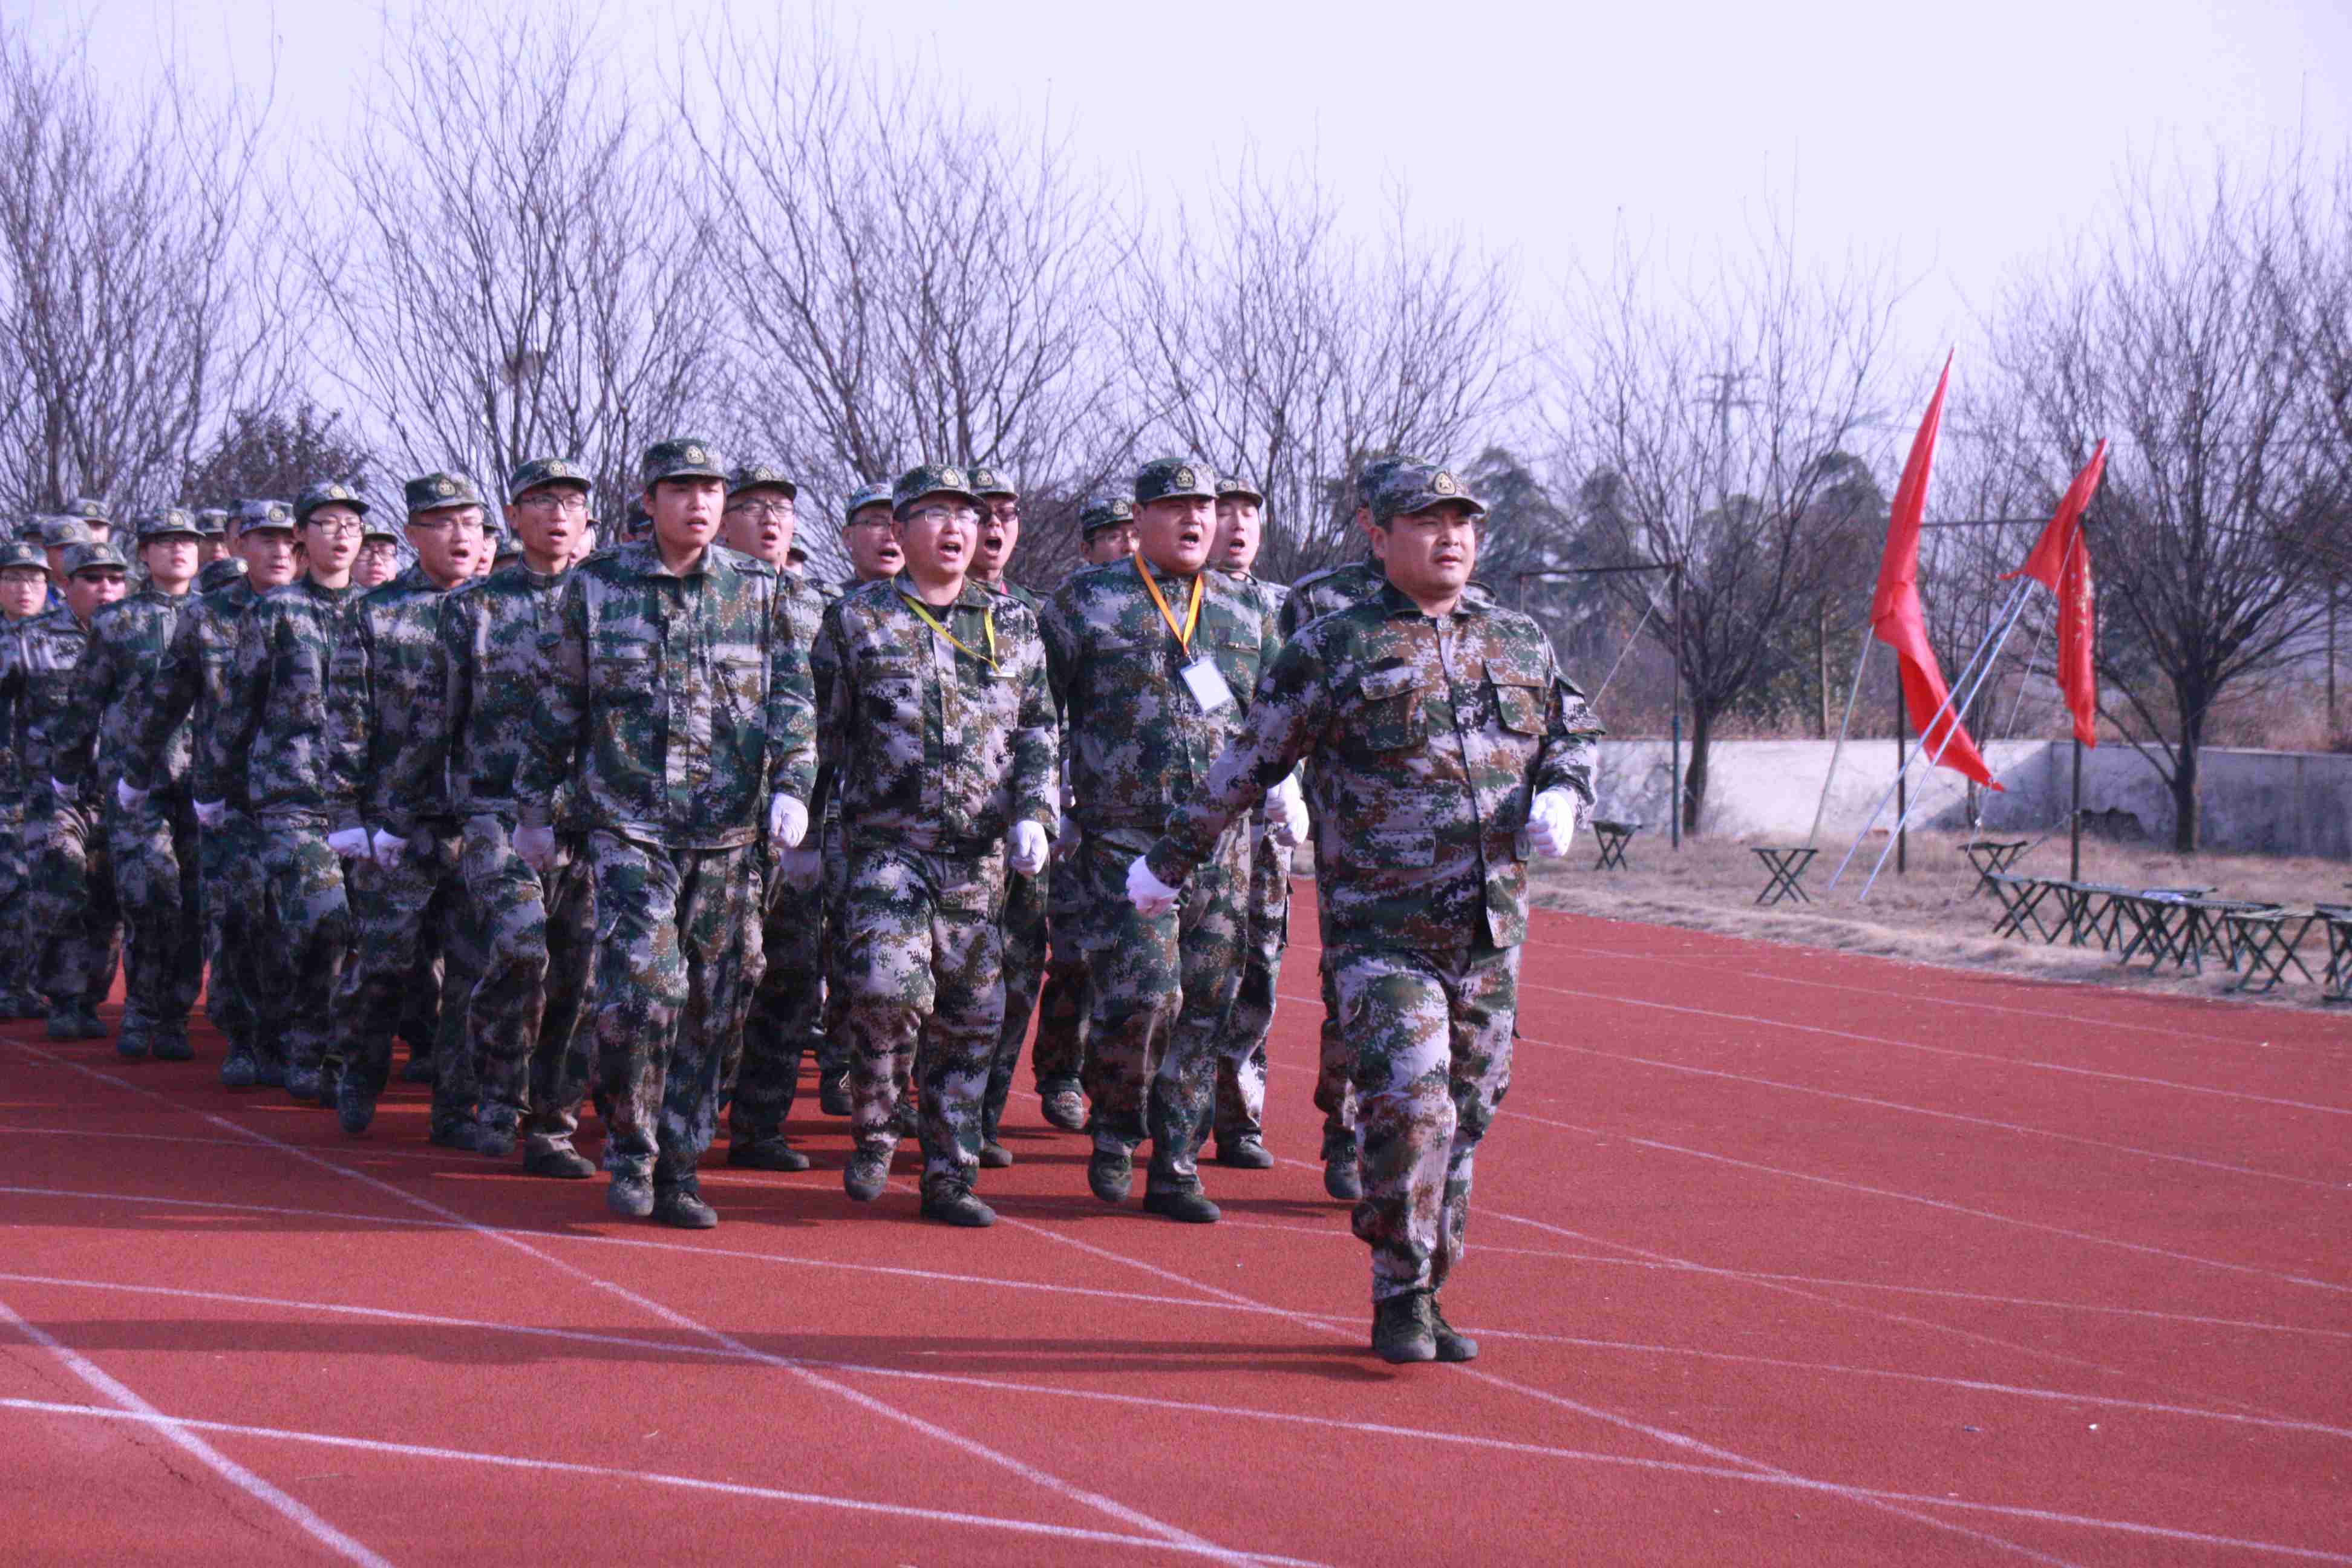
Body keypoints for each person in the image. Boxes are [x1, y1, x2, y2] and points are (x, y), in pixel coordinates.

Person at [1138, 460, 1601, 1362]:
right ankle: (1398, 1289)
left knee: (1465, 1118)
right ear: (1380, 536)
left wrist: (1564, 792)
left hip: (1490, 933)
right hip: (1384, 935)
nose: (1450, 537)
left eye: (1462, 522)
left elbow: (1572, 731)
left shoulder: (1517, 640)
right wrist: (1169, 860)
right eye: (1427, 521)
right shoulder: (1334, 646)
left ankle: (1430, 1285)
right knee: (1411, 1106)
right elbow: (1249, 760)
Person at [518, 437, 815, 1229]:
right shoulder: (596, 587)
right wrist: (534, 810)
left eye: (711, 490)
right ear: (649, 502)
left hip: (728, 836)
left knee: (715, 1006)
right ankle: (632, 1151)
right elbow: (558, 705)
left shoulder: (762, 590)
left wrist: (794, 787)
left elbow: (793, 702)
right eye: (680, 489)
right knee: (645, 996)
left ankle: (681, 1167)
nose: (699, 503)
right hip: (630, 828)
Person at [1042, 458, 1285, 1224]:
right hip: (1125, 837)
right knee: (1144, 994)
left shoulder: (1248, 609)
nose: (1195, 520)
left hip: (1222, 844)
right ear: (1140, 518)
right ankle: (1117, 1127)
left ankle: (1176, 1162)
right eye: (1176, 506)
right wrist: (1051, 796)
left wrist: (1288, 784)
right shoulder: (1087, 600)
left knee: (1207, 1006)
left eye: (1205, 507)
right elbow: (1040, 706)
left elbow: (1279, 711)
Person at [815, 463, 1055, 1226]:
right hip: (888, 849)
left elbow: (1038, 728)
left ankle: (951, 1175)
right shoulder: (857, 621)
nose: (957, 529)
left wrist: (1036, 812)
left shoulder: (1014, 625)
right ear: (900, 529)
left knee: (970, 1018)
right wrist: (805, 832)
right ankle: (877, 1127)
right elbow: (823, 734)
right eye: (937, 514)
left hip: (979, 860)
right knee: (885, 988)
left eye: (968, 515)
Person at [1280, 454, 1434, 1201]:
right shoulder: (1320, 601)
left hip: (1449, 847)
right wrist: (1285, 785)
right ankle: (1346, 1134)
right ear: (1370, 523)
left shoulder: (1473, 607)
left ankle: (1422, 1143)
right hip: (1356, 838)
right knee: (1356, 993)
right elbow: (1280, 704)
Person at [445, 456, 600, 1174]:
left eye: (571, 501)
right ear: (512, 517)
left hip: (589, 819)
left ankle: (554, 1122)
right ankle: (497, 1095)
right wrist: (393, 814)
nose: (558, 514)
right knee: (520, 948)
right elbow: (438, 719)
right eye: (542, 501)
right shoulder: (472, 608)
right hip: (497, 813)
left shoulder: (611, 600)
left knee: (583, 971)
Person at [328, 473, 486, 1144]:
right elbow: (347, 723)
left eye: (470, 523)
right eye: (443, 523)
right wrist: (348, 817)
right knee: (384, 967)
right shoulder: (376, 614)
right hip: (397, 823)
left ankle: (454, 1109)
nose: (460, 536)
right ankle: (360, 1070)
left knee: (472, 973)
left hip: (479, 822)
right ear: (415, 533)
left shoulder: (500, 609)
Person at [201, 482, 368, 1104]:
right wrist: (214, 789)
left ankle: (334, 1046)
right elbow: (238, 708)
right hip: (289, 796)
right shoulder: (275, 613)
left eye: (351, 524)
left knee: (355, 931)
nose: (341, 536)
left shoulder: (380, 612)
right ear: (302, 536)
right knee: (321, 919)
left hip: (364, 798)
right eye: (326, 524)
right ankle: (302, 1045)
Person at [131, 500, 302, 1086]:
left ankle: (294, 1037)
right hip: (229, 796)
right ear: (237, 546)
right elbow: (168, 700)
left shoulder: (324, 611)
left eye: (286, 539)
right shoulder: (207, 616)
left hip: (308, 795)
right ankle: (245, 1038)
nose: (278, 550)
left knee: (299, 921)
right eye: (263, 539)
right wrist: (136, 772)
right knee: (238, 917)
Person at [51, 511, 209, 1060]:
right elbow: (85, 700)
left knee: (196, 903)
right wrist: (68, 771)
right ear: (144, 554)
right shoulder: (118, 622)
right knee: (150, 895)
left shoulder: (223, 615)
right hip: (135, 784)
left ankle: (176, 1014)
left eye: (186, 541)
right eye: (164, 543)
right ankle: (141, 1009)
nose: (178, 550)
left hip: (207, 784)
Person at [716, 462, 832, 1173]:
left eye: (781, 509)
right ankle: (689, 1108)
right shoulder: (704, 599)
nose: (770, 521)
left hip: (799, 827)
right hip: (714, 824)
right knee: (716, 978)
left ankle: (759, 1123)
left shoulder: (824, 610)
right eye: (753, 507)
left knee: (789, 974)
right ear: (724, 520)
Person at [1025, 490, 1143, 1134]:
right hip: (1078, 812)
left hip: (1142, 821)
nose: (1126, 544)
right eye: (1112, 535)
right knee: (1073, 955)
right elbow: (1041, 708)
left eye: (1133, 532)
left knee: (1134, 964)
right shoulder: (1071, 609)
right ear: (1087, 546)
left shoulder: (1167, 608)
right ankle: (1062, 1072)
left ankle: (1116, 1085)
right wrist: (1054, 795)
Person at [1201, 472, 1304, 1169]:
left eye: (1250, 515)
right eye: (1227, 512)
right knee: (1192, 970)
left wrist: (1291, 775)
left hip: (1269, 821)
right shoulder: (1183, 602)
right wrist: (1259, 760)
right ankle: (1166, 1106)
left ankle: (1239, 1118)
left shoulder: (1287, 608)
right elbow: (1201, 689)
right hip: (1204, 813)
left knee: (1260, 964)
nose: (1239, 526)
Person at [1, 541, 131, 1038]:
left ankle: (90, 997)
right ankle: (64, 997)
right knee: (62, 880)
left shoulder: (142, 638)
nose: (105, 589)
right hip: (51, 791)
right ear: (66, 585)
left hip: (122, 790)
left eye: (115, 579)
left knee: (108, 898)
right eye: (92, 579)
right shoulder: (29, 640)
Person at [965, 463, 1054, 1166]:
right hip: (941, 836)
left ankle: (981, 1117)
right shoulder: (908, 607)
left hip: (1021, 828)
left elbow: (1050, 719)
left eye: (1007, 514)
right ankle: (924, 1106)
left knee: (1018, 972)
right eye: (982, 513)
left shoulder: (1036, 616)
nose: (996, 527)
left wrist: (1048, 807)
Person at [812, 477, 900, 1117]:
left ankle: (889, 1076)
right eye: (873, 522)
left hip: (909, 818)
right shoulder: (828, 612)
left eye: (898, 521)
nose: (888, 534)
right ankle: (840, 1064)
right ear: (848, 538)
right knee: (843, 943)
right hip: (839, 808)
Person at [0, 540, 51, 1020]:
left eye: (35, 579)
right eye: (13, 578)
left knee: (36, 884)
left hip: (47, 783)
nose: (24, 589)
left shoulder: (61, 639)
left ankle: (26, 982)